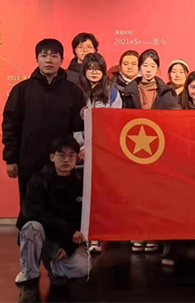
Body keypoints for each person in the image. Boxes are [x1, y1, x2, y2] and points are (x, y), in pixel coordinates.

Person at [3, 39, 85, 205]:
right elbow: (11, 126)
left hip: (61, 160)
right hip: (29, 158)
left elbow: (79, 127)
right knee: (30, 203)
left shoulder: (73, 91)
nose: (49, 60)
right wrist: (10, 159)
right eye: (44, 56)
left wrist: (85, 117)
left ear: (61, 60)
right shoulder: (21, 90)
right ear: (37, 59)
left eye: (54, 56)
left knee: (61, 204)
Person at [15, 136, 88, 302]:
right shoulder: (38, 180)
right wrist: (68, 231)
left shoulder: (81, 182)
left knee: (82, 268)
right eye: (61, 155)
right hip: (42, 237)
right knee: (32, 228)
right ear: (52, 157)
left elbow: (82, 218)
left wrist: (68, 246)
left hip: (65, 239)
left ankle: (54, 267)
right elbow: (31, 210)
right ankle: (30, 275)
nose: (66, 159)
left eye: (71, 155)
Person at [121, 49, 177, 253]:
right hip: (133, 148)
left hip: (160, 149)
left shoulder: (168, 93)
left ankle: (153, 233)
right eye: (145, 65)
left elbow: (174, 120)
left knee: (156, 193)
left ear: (158, 69)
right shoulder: (127, 91)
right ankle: (137, 232)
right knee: (136, 193)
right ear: (139, 68)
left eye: (153, 66)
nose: (148, 69)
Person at [161, 71, 195, 268]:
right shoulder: (177, 110)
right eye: (193, 87)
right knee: (177, 212)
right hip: (181, 169)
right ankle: (172, 251)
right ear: (187, 89)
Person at [74, 52, 122, 253]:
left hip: (105, 152)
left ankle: (97, 237)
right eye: (90, 68)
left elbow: (115, 124)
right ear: (84, 70)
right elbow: (73, 123)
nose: (94, 72)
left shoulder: (112, 93)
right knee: (83, 196)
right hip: (82, 153)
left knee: (101, 196)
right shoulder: (76, 92)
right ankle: (83, 234)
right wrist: (81, 146)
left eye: (98, 68)